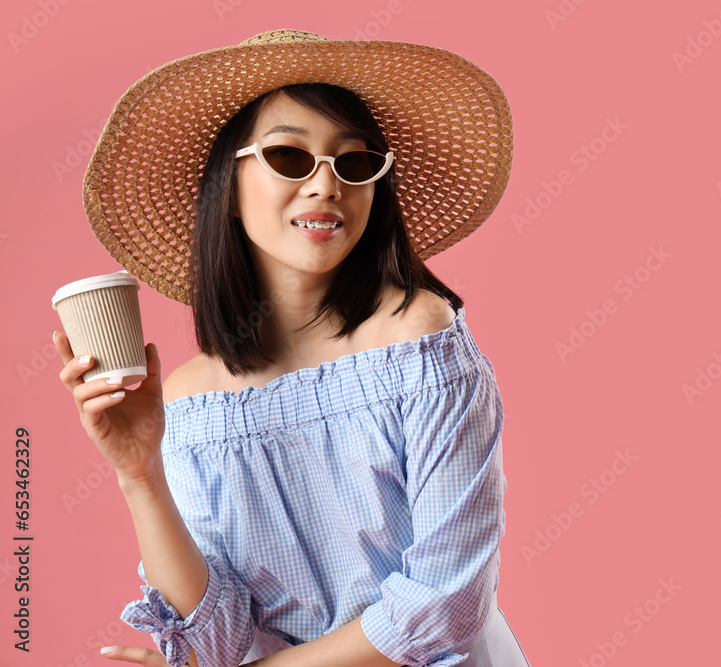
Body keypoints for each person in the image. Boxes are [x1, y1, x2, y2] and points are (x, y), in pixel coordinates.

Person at [54, 29, 529, 667]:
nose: (326, 185)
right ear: (227, 184)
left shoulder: (420, 342)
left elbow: (446, 604)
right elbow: (221, 640)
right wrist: (139, 474)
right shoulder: (193, 397)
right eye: (290, 158)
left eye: (354, 162)